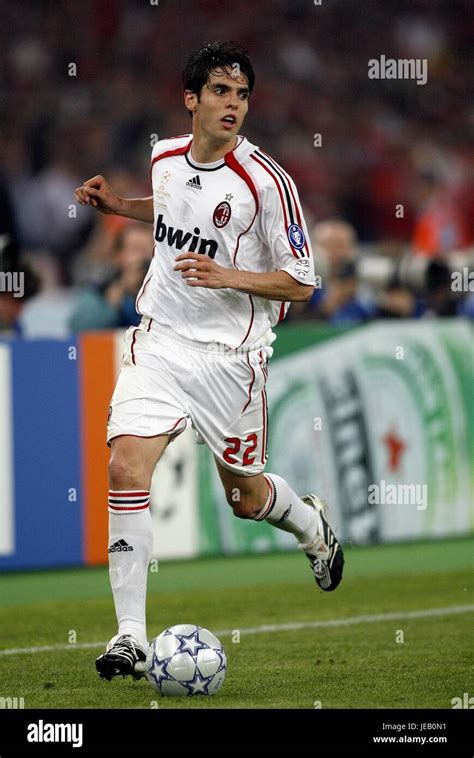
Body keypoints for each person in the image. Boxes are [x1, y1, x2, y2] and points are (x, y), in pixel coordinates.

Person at [75, 41, 344, 683]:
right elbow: (169, 208)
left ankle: (311, 526)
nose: (233, 104)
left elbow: (303, 283)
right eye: (221, 91)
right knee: (124, 465)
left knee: (245, 498)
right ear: (191, 99)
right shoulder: (164, 156)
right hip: (160, 341)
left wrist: (228, 275)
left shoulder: (267, 182)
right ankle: (131, 639)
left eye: (242, 94)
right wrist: (120, 208)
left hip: (232, 360)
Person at [69, 222, 153, 332]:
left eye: (149, 250)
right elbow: (79, 331)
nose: (144, 257)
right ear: (118, 256)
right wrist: (116, 296)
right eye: (136, 250)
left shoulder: (169, 292)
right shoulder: (98, 292)